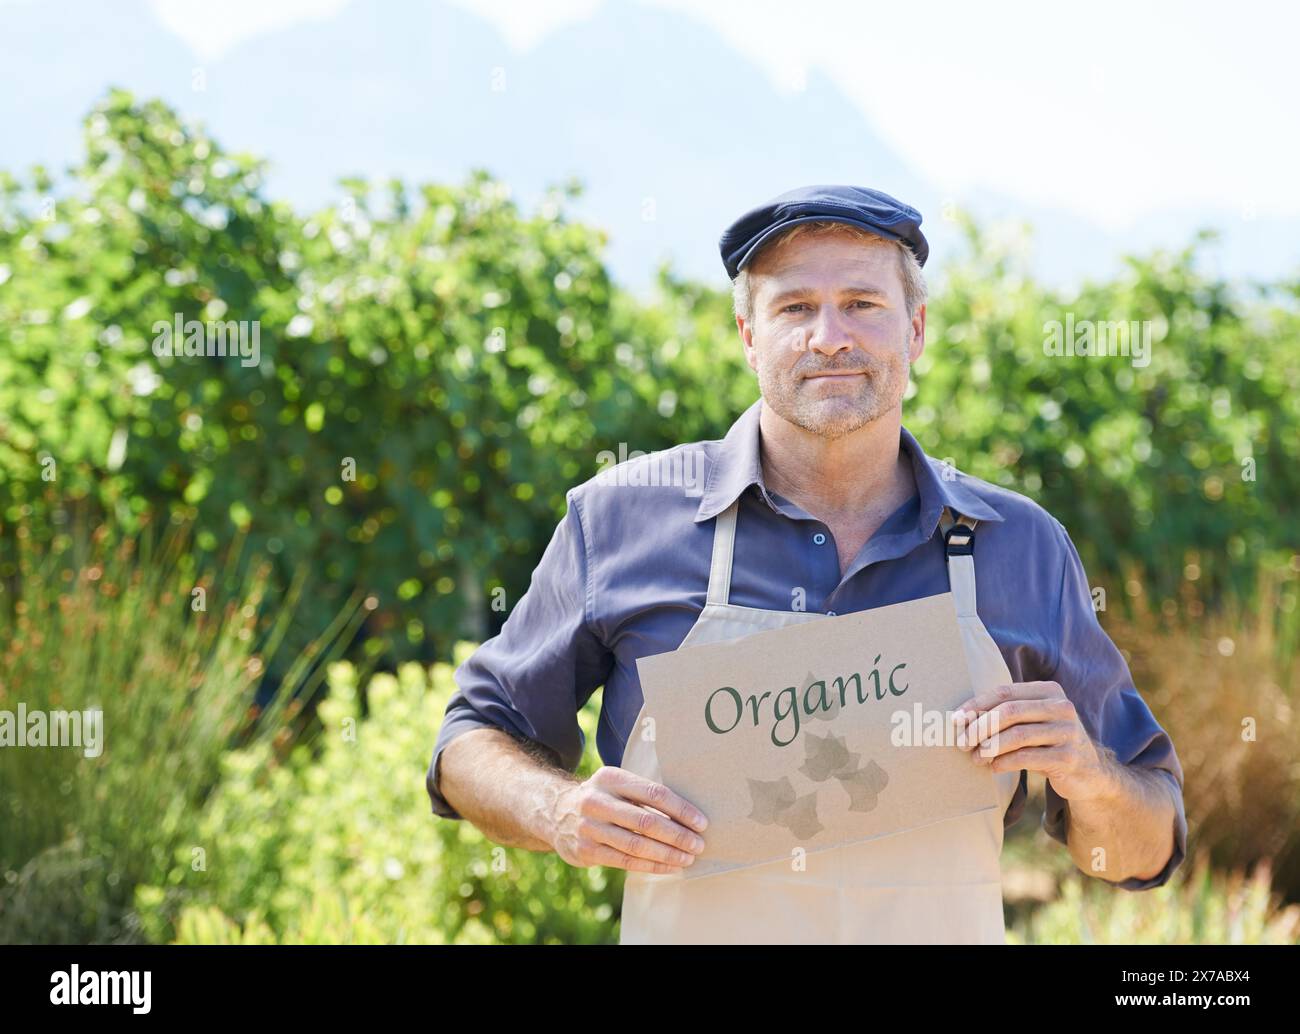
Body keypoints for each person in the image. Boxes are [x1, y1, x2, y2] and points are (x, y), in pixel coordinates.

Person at [425, 184, 1186, 943]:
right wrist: (558, 811)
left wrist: (1087, 773)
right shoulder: (622, 519)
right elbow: (469, 741)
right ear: (748, 336)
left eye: (863, 303)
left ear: (915, 330)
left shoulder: (1021, 545)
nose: (830, 337)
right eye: (794, 308)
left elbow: (1142, 850)